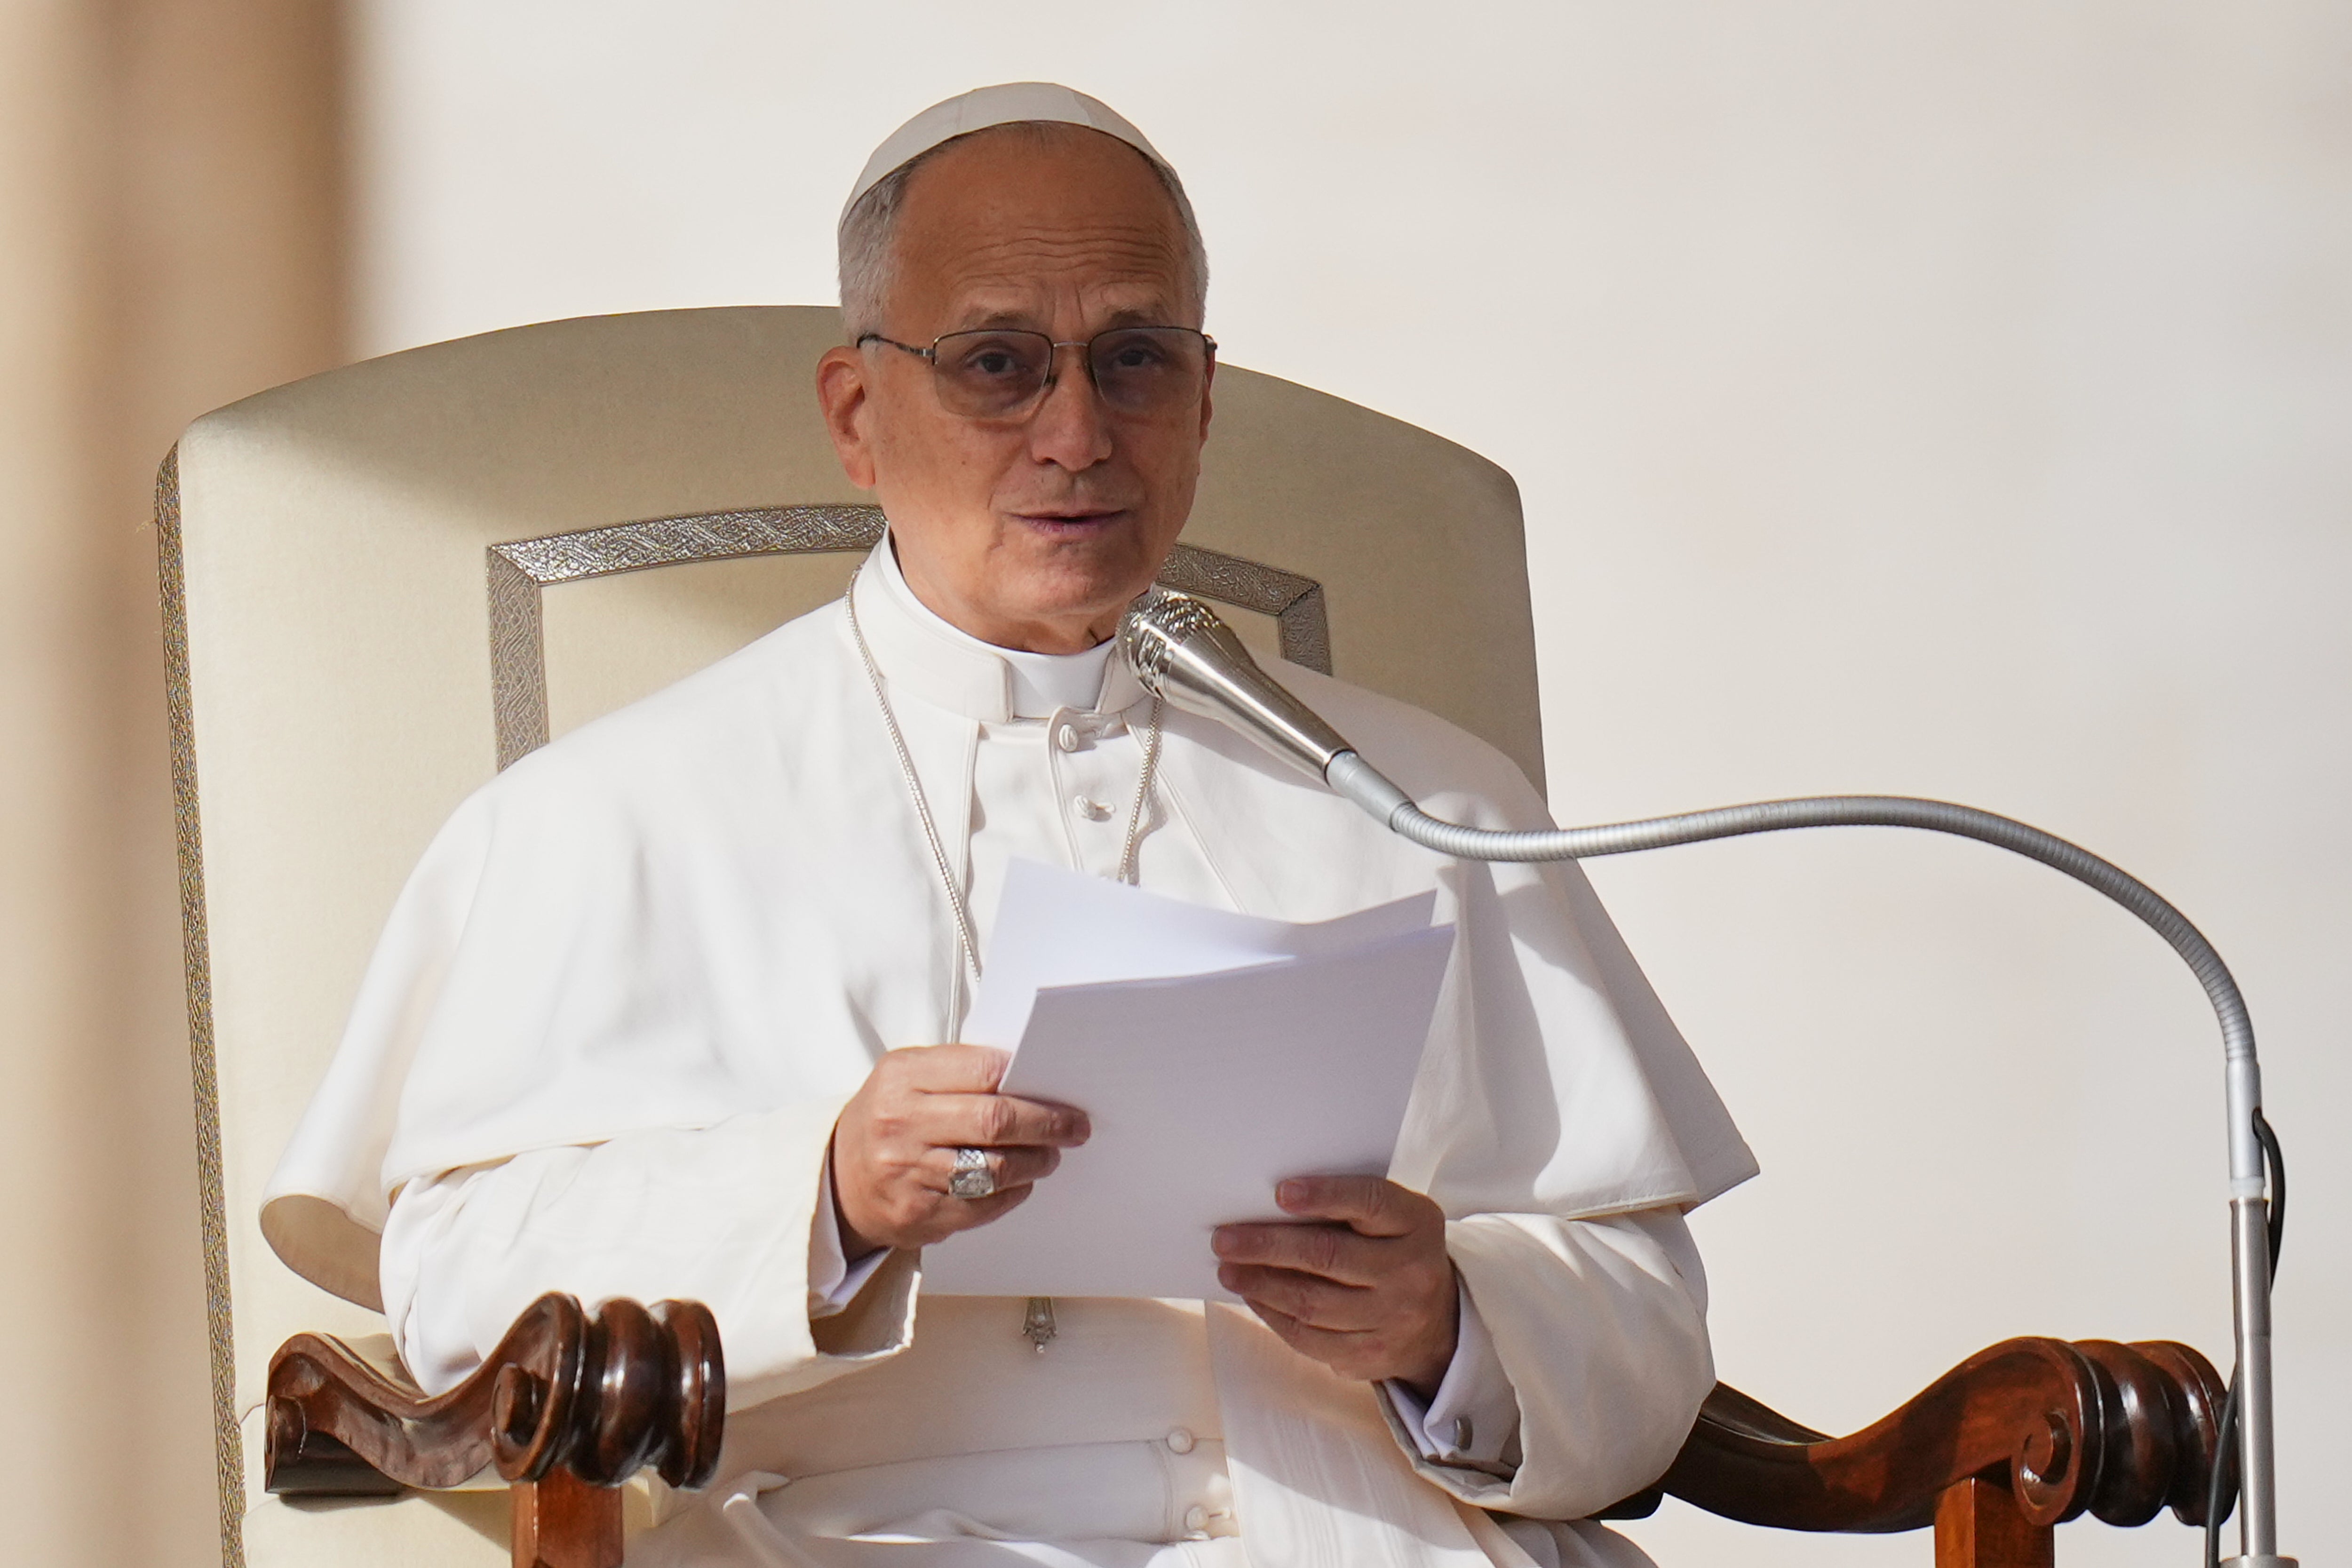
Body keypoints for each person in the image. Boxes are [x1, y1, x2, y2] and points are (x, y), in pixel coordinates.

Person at [265, 82, 1756, 1568]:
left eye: (1134, 361)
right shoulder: (614, 814)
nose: (1077, 433)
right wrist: (829, 1195)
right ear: (858, 416)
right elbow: (458, 1288)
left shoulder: (1428, 801)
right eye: (996, 364)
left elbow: (1640, 1309)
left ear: (1204, 405)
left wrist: (1447, 1323)